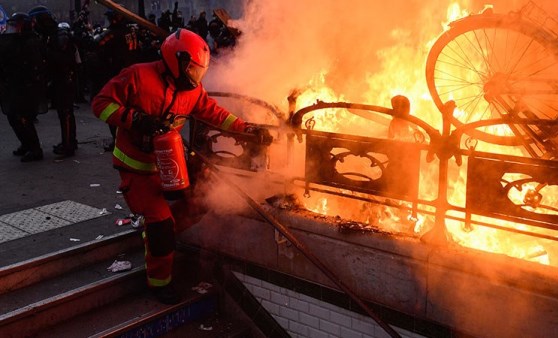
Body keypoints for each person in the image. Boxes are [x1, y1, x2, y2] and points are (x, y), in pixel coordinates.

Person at [91, 29, 272, 304]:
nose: (196, 77)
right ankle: (159, 281)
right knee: (161, 224)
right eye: (192, 69)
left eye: (200, 71)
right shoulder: (138, 76)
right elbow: (100, 104)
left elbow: (214, 113)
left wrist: (246, 129)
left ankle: (156, 238)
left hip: (170, 164)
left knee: (200, 203)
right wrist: (135, 119)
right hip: (137, 169)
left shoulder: (193, 91)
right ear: (175, 59)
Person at [0, 12, 48, 162]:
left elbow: (33, 65)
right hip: (15, 84)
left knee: (23, 117)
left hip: (26, 86)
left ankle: (35, 149)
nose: (13, 29)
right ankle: (26, 144)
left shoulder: (31, 41)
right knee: (12, 116)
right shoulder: (16, 41)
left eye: (16, 26)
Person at [91, 8, 140, 151]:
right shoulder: (131, 32)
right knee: (132, 109)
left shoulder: (113, 33)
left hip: (118, 75)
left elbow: (94, 44)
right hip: (133, 74)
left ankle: (119, 140)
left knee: (115, 109)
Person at [47, 22, 80, 157]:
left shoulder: (62, 44)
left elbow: (60, 61)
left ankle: (67, 145)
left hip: (63, 81)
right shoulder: (71, 46)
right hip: (68, 80)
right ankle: (70, 141)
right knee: (68, 114)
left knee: (65, 114)